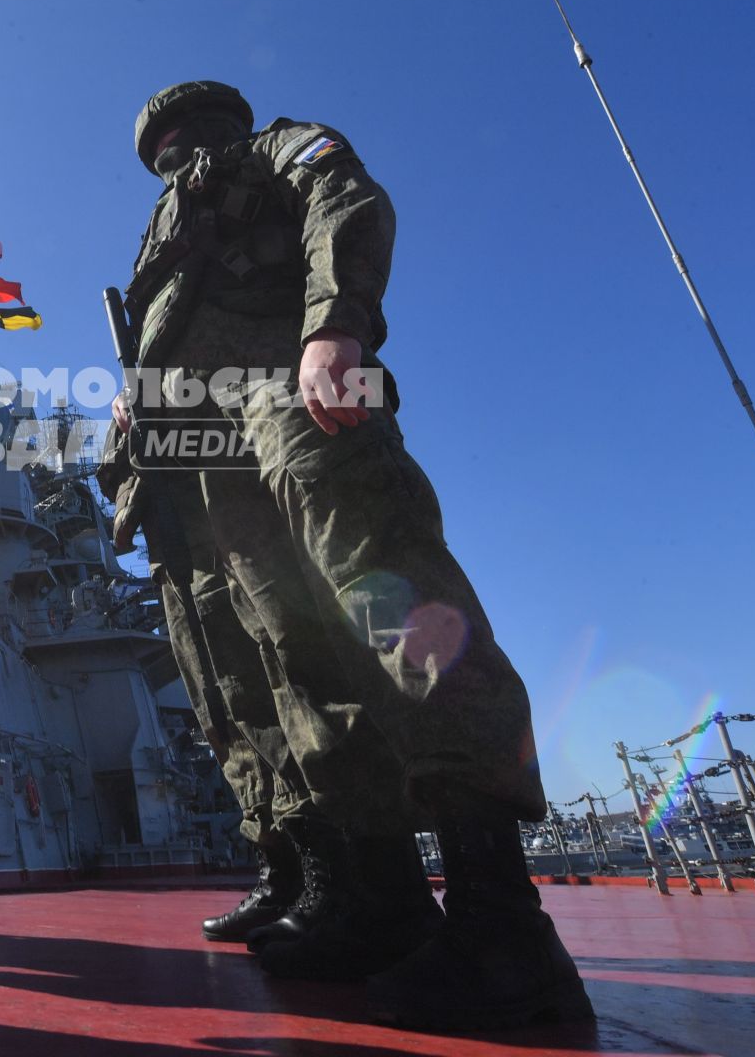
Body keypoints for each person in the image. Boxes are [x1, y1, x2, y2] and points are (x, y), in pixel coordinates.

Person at [116, 81, 593, 1030]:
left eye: (185, 136)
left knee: (391, 598)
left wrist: (336, 324)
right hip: (209, 454)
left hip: (295, 388)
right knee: (298, 657)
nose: (176, 152)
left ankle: (503, 922)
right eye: (161, 147)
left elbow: (346, 202)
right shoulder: (159, 238)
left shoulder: (275, 149)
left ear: (219, 124)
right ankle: (380, 898)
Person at [98, 423, 308, 942]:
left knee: (275, 683)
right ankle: (284, 866)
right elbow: (114, 475)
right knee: (224, 702)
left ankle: (321, 866)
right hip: (177, 548)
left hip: (232, 524)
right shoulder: (140, 396)